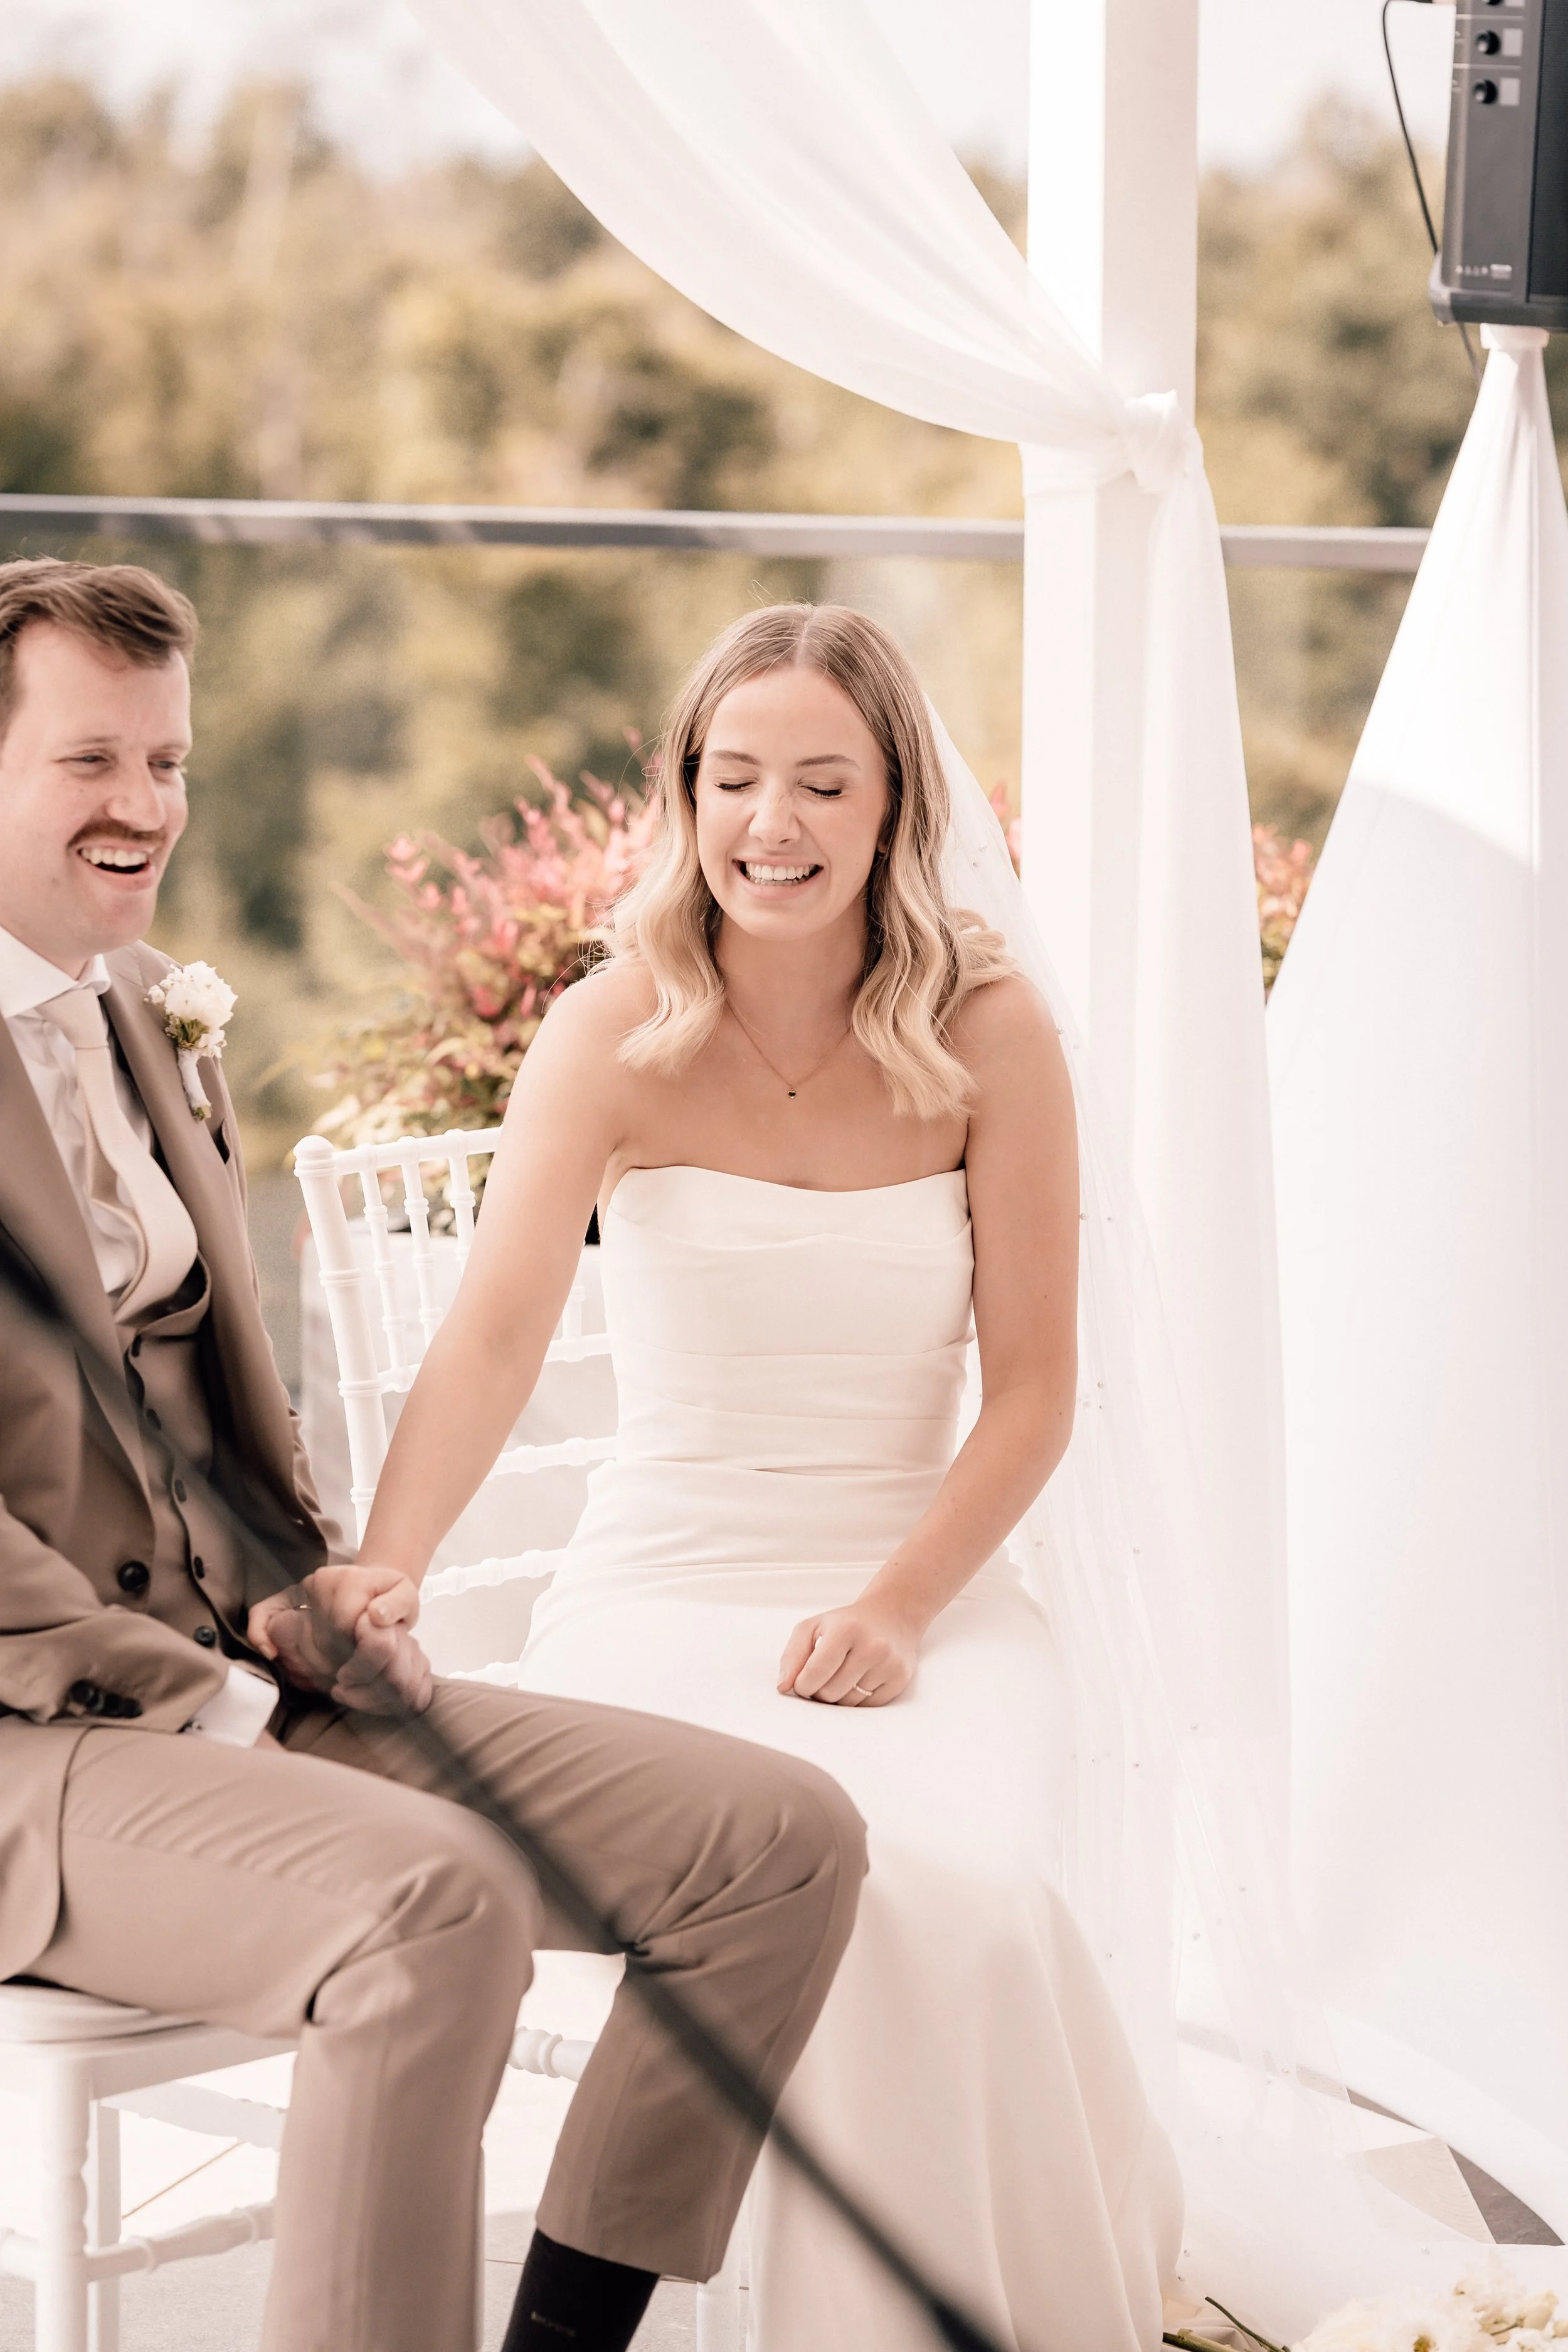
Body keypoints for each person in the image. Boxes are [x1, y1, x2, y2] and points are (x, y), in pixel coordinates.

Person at [0, 558, 869, 2352]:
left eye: (168, 762)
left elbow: (210, 1400)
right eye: (93, 759)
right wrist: (198, 1692)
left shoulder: (142, 1010)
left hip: (240, 1666)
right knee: (432, 1902)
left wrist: (314, 1587)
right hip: (34, 1737)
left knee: (776, 1843)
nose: (145, 805)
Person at [358, 603, 1186, 2351]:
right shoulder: (610, 1028)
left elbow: (1034, 1391)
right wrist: (387, 1566)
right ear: (682, 792)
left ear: (896, 807)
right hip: (656, 1587)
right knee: (774, 1877)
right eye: (732, 777)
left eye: (823, 781)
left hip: (926, 1585)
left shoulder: (990, 1028)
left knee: (934, 1889)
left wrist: (895, 1607)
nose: (771, 822)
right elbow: (493, 1340)